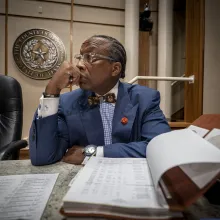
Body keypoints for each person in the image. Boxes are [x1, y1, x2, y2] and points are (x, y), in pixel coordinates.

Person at [29, 35, 170, 166]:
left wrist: (93, 153)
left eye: (90, 57)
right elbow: (43, 157)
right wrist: (52, 91)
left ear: (115, 69)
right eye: (80, 57)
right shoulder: (67, 103)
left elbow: (160, 147)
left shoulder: (144, 98)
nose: (79, 65)